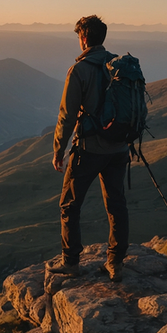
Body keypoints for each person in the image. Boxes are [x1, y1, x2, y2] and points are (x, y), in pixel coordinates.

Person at [49, 15, 129, 282]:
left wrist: (58, 151)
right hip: (119, 148)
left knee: (69, 205)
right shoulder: (120, 65)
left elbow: (67, 116)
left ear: (83, 38)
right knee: (116, 205)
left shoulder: (79, 71)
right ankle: (115, 264)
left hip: (90, 149)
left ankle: (71, 262)